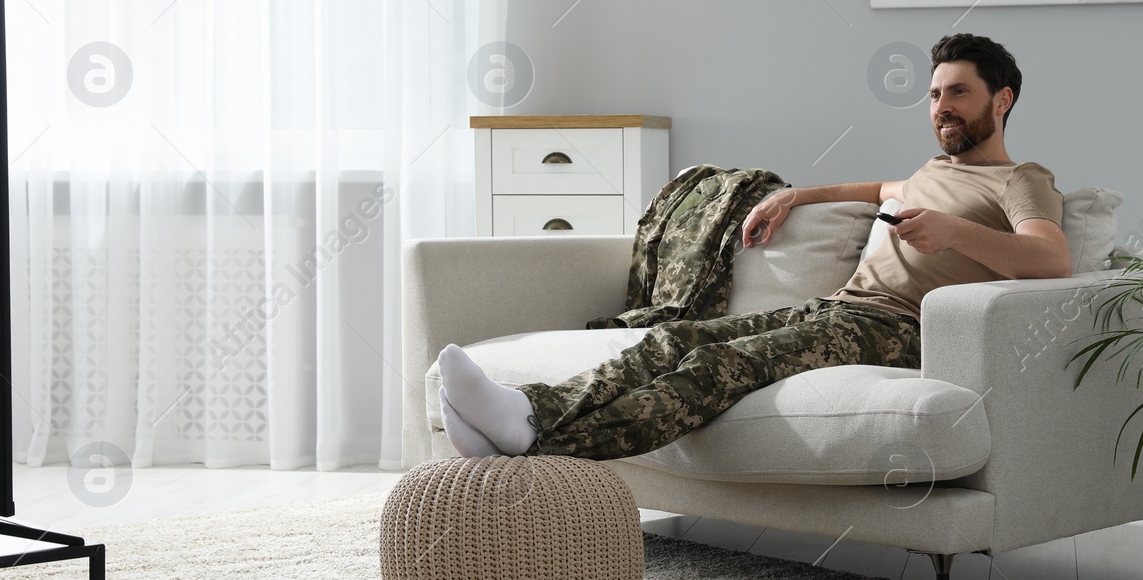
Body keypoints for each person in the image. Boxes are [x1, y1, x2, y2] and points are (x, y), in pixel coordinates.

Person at [437, 33, 1069, 460]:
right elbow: (878, 185)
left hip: (900, 330)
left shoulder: (1021, 179)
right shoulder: (935, 170)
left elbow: (1050, 258)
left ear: (1002, 100)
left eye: (958, 92)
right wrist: (792, 196)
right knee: (672, 339)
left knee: (719, 368)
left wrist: (952, 232)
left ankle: (539, 440)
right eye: (934, 94)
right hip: (836, 310)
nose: (941, 107)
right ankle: (525, 409)